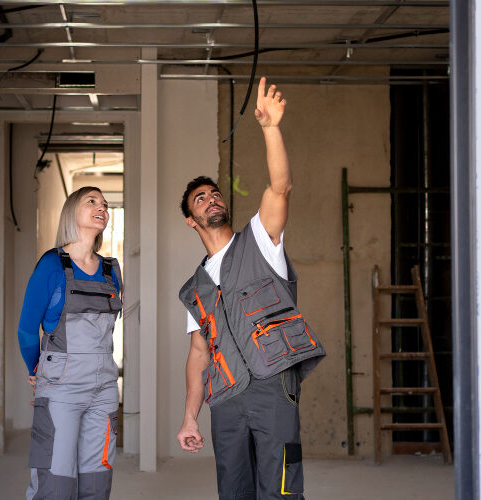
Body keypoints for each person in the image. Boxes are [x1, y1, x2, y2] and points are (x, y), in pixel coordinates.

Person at [175, 77, 326, 500]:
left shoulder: (259, 241)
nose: (211, 199)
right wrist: (190, 416)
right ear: (191, 219)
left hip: (271, 385)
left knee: (280, 488)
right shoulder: (195, 289)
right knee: (234, 491)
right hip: (225, 398)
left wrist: (270, 128)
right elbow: (198, 355)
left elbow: (280, 187)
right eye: (201, 199)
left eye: (215, 193)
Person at [19, 186, 123, 500]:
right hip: (61, 387)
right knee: (55, 482)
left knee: (97, 482)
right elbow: (26, 329)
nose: (101, 207)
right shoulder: (52, 265)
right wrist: (37, 369)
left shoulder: (110, 271)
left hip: (104, 386)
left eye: (104, 204)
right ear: (71, 212)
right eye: (91, 201)